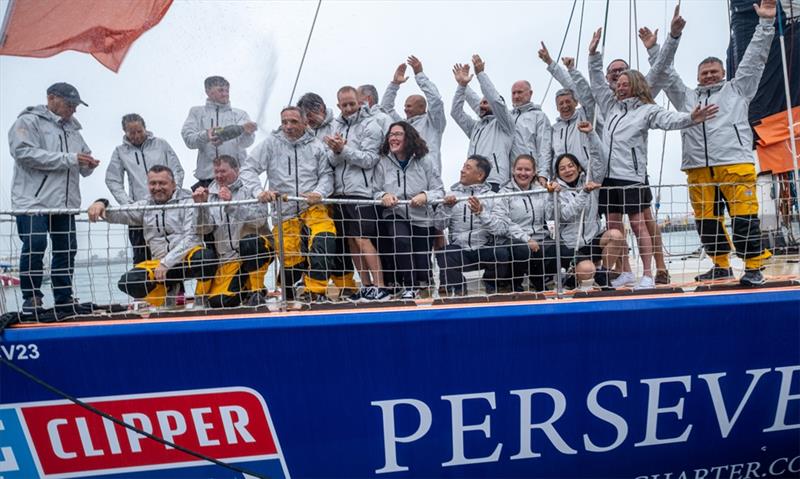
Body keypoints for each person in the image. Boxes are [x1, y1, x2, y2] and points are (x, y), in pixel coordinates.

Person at [647, 0, 776, 286]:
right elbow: (666, 75)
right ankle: (720, 265)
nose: (709, 76)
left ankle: (753, 266)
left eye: (713, 71)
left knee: (744, 219)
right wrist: (654, 48)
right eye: (704, 73)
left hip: (734, 163)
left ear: (723, 73)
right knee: (706, 222)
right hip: (697, 167)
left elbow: (755, 59)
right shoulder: (687, 97)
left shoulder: (738, 89)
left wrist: (766, 23)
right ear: (697, 77)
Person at [588, 27, 719, 289]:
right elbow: (595, 82)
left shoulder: (646, 110)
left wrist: (690, 118)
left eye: (625, 84)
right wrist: (593, 55)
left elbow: (667, 119)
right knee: (615, 227)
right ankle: (625, 271)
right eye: (618, 84)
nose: (620, 88)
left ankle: (647, 273)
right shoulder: (611, 107)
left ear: (635, 86)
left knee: (639, 227)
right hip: (609, 178)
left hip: (632, 177)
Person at [541, 40, 674, 285]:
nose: (617, 75)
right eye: (613, 72)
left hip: (632, 171)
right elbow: (575, 87)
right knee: (613, 223)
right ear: (607, 76)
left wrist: (664, 44)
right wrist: (554, 65)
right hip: (603, 174)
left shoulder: (638, 100)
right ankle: (624, 270)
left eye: (621, 71)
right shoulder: (600, 100)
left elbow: (661, 71)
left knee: (644, 220)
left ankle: (659, 268)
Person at [9, 82, 99, 313]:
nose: (74, 110)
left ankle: (64, 298)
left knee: (66, 249)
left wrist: (88, 164)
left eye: (76, 106)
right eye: (70, 104)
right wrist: (71, 159)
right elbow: (23, 153)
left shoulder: (73, 130)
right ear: (51, 99)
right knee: (36, 244)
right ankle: (32, 299)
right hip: (32, 202)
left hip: (64, 203)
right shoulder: (28, 122)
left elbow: (81, 158)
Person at [241, 106, 337, 302]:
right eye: (284, 122)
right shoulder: (270, 144)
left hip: (312, 208)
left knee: (323, 239)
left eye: (293, 121)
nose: (288, 126)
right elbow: (248, 169)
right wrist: (259, 191)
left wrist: (318, 193)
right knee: (291, 263)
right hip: (284, 211)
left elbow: (326, 175)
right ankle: (286, 286)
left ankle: (316, 292)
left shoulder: (317, 146)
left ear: (304, 123)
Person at [87, 165, 216, 307]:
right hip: (159, 264)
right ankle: (165, 295)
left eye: (162, 183)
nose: (157, 187)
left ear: (173, 184)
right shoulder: (146, 205)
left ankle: (201, 298)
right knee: (129, 282)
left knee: (205, 257)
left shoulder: (189, 201)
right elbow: (121, 214)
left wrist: (167, 262)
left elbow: (192, 238)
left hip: (185, 259)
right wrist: (101, 203)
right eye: (153, 183)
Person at [324, 86, 391, 302]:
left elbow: (371, 159)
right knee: (352, 241)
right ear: (338, 105)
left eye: (352, 103)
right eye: (344, 105)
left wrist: (343, 150)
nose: (349, 108)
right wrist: (336, 150)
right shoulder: (334, 125)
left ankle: (380, 286)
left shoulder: (370, 124)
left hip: (361, 192)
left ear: (360, 102)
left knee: (363, 239)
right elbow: (331, 161)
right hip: (339, 192)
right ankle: (366, 285)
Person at [373, 121, 444, 299]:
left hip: (421, 217)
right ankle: (409, 287)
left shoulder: (425, 160)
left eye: (398, 134)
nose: (393, 138)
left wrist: (425, 196)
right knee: (401, 240)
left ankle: (423, 285)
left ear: (409, 137)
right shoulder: (383, 161)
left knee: (422, 265)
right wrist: (384, 196)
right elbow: (374, 190)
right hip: (395, 213)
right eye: (391, 134)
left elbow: (439, 190)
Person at [551, 122, 626, 289]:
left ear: (578, 167)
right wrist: (584, 193)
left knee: (616, 235)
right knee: (587, 269)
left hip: (592, 238)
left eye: (571, 166)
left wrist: (591, 134)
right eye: (562, 168)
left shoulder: (590, 181)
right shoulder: (557, 191)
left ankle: (603, 275)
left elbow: (600, 159)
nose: (568, 170)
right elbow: (565, 214)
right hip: (572, 246)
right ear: (558, 173)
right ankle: (573, 277)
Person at [193, 155, 273, 308]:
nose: (219, 176)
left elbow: (260, 220)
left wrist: (231, 205)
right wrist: (201, 207)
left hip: (258, 250)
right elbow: (204, 229)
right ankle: (248, 288)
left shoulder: (252, 190)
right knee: (220, 302)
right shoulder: (209, 195)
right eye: (216, 172)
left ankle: (256, 291)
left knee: (250, 242)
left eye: (223, 171)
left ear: (236, 170)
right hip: (228, 259)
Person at [106, 113, 185, 264]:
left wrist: (174, 193)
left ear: (145, 128)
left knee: (171, 252)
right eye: (132, 132)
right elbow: (112, 179)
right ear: (125, 132)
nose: (136, 135)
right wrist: (127, 203)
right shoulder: (120, 152)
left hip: (166, 208)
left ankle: (176, 288)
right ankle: (144, 287)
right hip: (139, 211)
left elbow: (177, 170)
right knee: (141, 255)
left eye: (139, 131)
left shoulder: (161, 144)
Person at [434, 155, 510, 295]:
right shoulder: (450, 196)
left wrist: (481, 213)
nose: (462, 170)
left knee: (501, 253)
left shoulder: (494, 197)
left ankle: (492, 287)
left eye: (467, 168)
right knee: (445, 254)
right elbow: (438, 225)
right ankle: (459, 291)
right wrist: (446, 208)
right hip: (460, 250)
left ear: (480, 175)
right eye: (463, 166)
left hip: (484, 248)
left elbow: (501, 229)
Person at [450, 55, 515, 191]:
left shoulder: (505, 125)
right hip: (472, 182)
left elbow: (496, 101)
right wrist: (462, 86)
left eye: (485, 102)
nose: (481, 105)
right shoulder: (476, 127)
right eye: (480, 103)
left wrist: (480, 74)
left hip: (495, 182)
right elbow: (456, 113)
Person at [181, 76, 257, 190]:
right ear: (208, 92)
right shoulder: (196, 112)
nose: (225, 94)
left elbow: (246, 143)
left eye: (227, 91)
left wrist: (248, 133)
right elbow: (189, 140)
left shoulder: (240, 114)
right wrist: (206, 135)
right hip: (207, 179)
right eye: (221, 90)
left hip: (235, 178)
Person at [495, 154, 554, 292]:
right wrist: (526, 238)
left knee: (561, 248)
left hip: (539, 236)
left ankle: (542, 281)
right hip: (513, 239)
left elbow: (550, 215)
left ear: (534, 172)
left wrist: (551, 195)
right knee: (522, 249)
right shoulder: (504, 192)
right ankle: (515, 285)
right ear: (513, 170)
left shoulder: (541, 190)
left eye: (527, 170)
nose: (523, 173)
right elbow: (503, 220)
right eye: (519, 169)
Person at [380, 55, 447, 174]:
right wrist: (394, 84)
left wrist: (419, 74)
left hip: (428, 176)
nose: (405, 110)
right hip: (405, 175)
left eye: (409, 106)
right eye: (405, 106)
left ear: (422, 107)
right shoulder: (403, 125)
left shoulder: (434, 123)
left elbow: (436, 100)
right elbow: (385, 109)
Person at [509, 79, 553, 186]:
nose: (516, 96)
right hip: (509, 177)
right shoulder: (508, 116)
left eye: (520, 92)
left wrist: (543, 174)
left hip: (532, 174)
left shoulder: (539, 116)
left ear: (530, 93)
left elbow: (544, 146)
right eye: (513, 93)